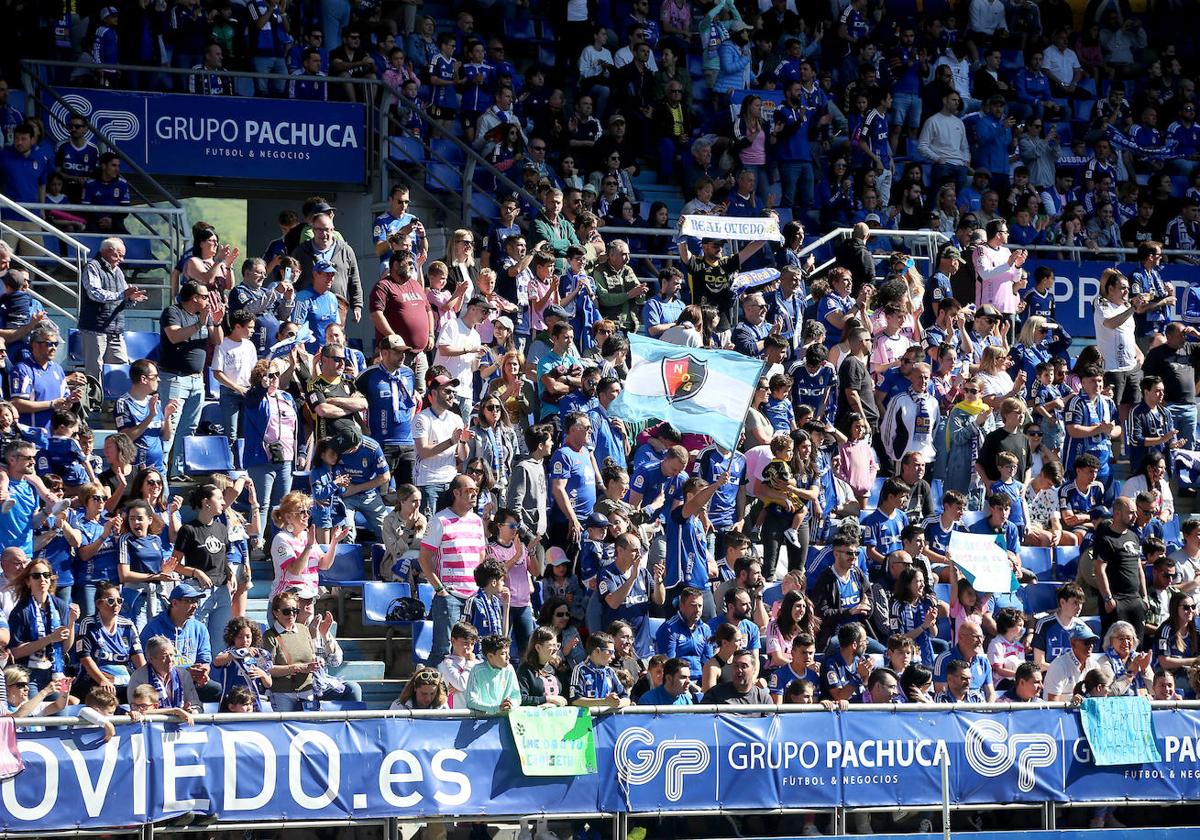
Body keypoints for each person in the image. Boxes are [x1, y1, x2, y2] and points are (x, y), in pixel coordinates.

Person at [158, 282, 223, 481]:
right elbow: (175, 336)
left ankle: (177, 471)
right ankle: (158, 471)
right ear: (194, 297)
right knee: (171, 425)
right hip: (175, 378)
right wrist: (198, 324)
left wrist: (217, 322)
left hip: (197, 380)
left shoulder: (204, 316)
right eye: (205, 296)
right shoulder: (173, 312)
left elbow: (217, 340)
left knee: (189, 427)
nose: (208, 300)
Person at [420, 474, 487, 665]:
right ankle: (430, 693)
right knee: (443, 650)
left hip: (474, 596)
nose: (474, 495)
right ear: (456, 493)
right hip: (450, 595)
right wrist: (440, 589)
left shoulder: (476, 521)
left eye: (476, 491)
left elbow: (481, 556)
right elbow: (425, 558)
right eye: (469, 491)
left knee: (474, 651)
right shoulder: (439, 520)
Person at [78, 237, 147, 384]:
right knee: (94, 371)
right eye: (119, 255)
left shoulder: (118, 272)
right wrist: (123, 295)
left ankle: (114, 405)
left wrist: (131, 299)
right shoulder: (92, 267)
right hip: (95, 328)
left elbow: (122, 299)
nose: (121, 259)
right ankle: (94, 404)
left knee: (120, 368)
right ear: (108, 251)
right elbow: (95, 293)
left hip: (115, 330)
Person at [7, 558, 78, 690]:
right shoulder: (20, 611)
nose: (42, 579)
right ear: (28, 582)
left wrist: (71, 622)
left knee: (63, 709)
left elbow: (64, 648)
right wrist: (50, 638)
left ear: (51, 579)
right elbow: (15, 652)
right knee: (33, 710)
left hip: (56, 670)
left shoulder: (60, 606)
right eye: (36, 576)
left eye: (46, 575)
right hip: (28, 674)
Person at [72, 579, 145, 703]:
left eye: (119, 601)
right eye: (111, 601)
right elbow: (85, 658)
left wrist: (147, 680)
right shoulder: (89, 624)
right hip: (95, 679)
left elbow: (139, 658)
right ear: (99, 604)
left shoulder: (128, 625)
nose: (116, 604)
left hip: (123, 679)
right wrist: (102, 680)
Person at [413, 374, 469, 521]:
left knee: (450, 526)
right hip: (428, 483)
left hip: (451, 481)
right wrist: (451, 441)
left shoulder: (456, 418)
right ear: (433, 393)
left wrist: (462, 441)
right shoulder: (421, 418)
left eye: (453, 392)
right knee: (429, 527)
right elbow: (423, 451)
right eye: (447, 391)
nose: (452, 396)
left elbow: (462, 456)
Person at [1094, 497, 1149, 640]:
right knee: (1115, 644)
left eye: (1135, 512)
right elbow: (1099, 569)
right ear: (1117, 513)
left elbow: (1138, 568)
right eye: (1131, 513)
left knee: (1137, 644)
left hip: (1135, 599)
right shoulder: (1105, 538)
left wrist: (1144, 597)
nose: (1135, 516)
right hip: (1116, 601)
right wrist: (1108, 598)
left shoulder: (1134, 536)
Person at [127, 635, 202, 713]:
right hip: (152, 724)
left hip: (182, 722)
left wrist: (191, 711)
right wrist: (175, 711)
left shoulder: (184, 675)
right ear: (151, 659)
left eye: (172, 655)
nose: (170, 660)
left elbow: (196, 704)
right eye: (164, 657)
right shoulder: (139, 678)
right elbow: (138, 710)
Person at [570, 631, 630, 709]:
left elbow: (626, 698)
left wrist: (617, 702)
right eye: (610, 652)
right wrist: (604, 702)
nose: (613, 656)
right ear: (597, 651)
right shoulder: (580, 670)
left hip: (606, 720)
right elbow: (575, 700)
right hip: (587, 720)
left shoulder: (609, 671)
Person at [1044, 624, 1103, 701]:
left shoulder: (1094, 665)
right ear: (1073, 643)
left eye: (1093, 641)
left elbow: (1100, 694)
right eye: (1087, 641)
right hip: (1062, 712)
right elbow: (1052, 704)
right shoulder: (1058, 666)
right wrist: (1071, 704)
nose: (1091, 645)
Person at [516, 626, 567, 707]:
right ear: (538, 647)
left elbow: (566, 696)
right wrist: (547, 699)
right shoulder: (525, 670)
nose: (556, 649)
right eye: (551, 645)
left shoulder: (558, 668)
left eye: (557, 645)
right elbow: (522, 699)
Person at [703, 647, 773, 705]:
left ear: (754, 670)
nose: (739, 670)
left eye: (744, 666)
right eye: (736, 666)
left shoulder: (763, 699)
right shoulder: (715, 694)